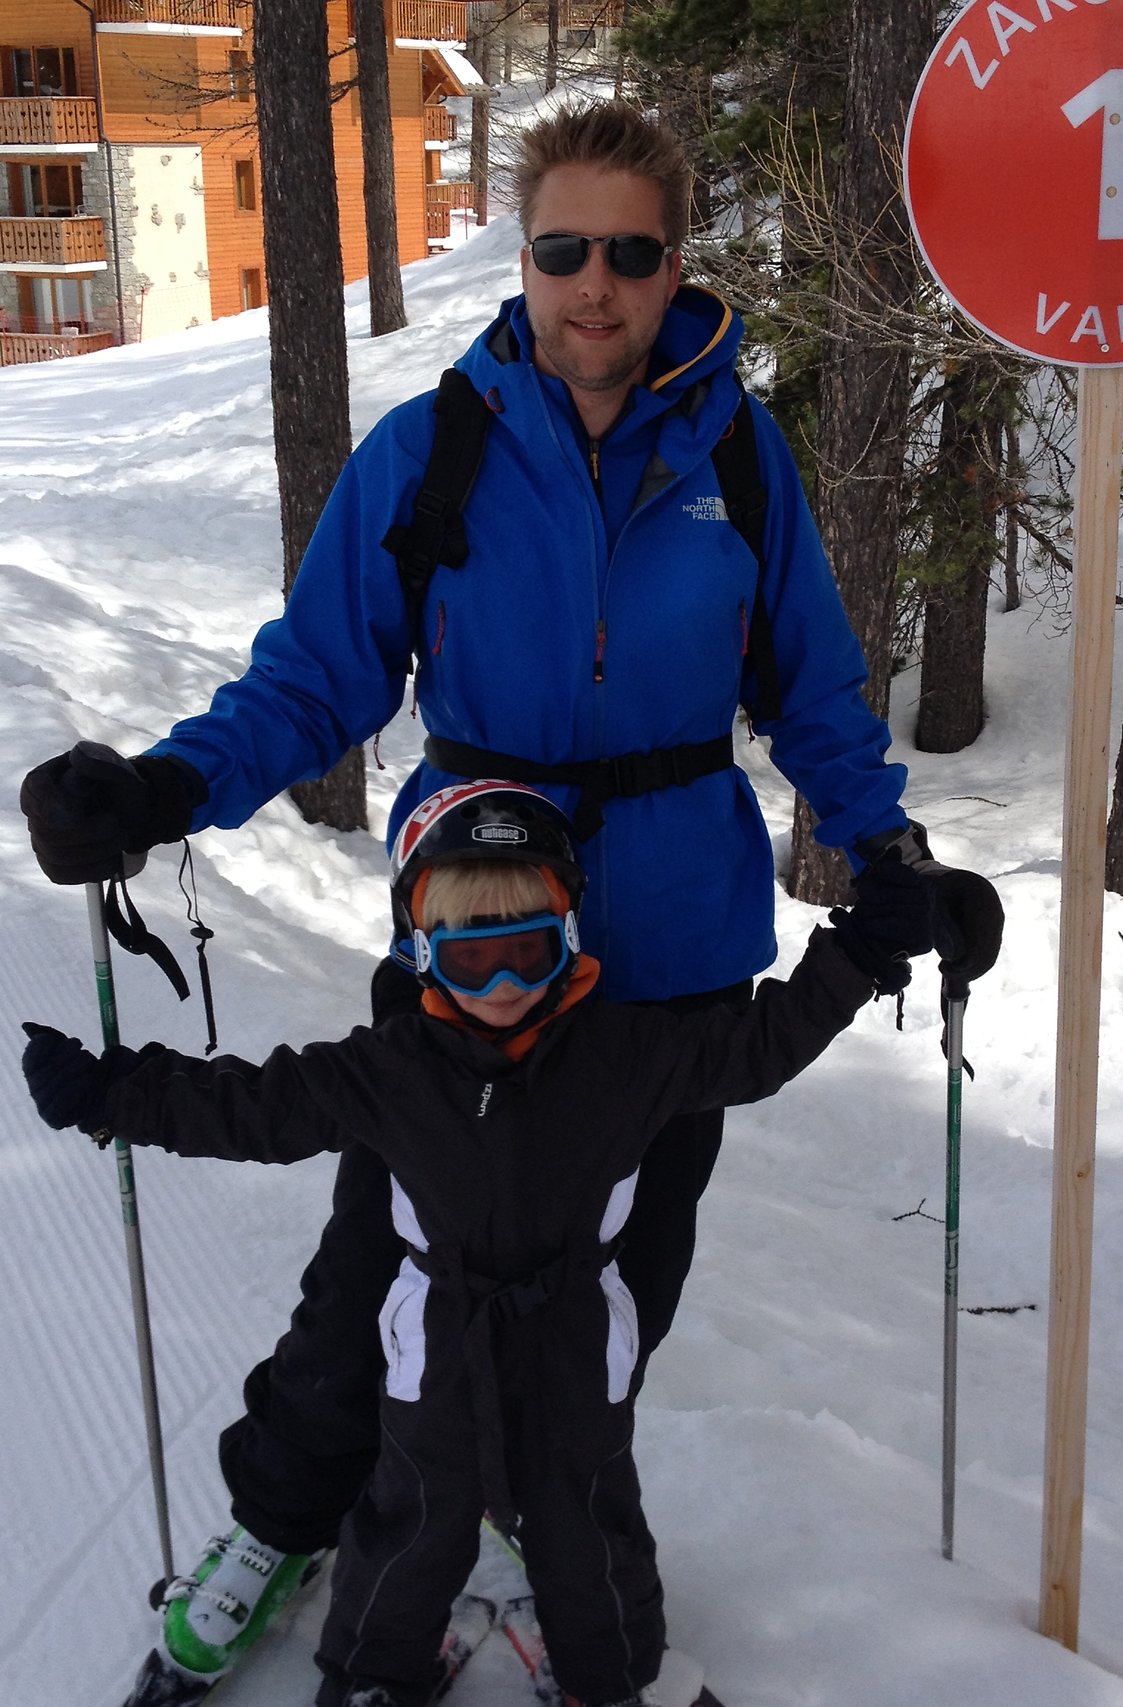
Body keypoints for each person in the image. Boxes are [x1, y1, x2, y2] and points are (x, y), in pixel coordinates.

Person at [18, 100, 1003, 1684]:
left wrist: (891, 860)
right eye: (562, 250)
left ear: (675, 263)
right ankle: (286, 1514)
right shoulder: (438, 448)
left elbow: (814, 687)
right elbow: (317, 676)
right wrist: (164, 787)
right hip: (469, 936)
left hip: (672, 956)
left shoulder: (737, 455)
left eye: (628, 251)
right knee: (372, 1281)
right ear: (521, 256)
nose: (594, 286)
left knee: (612, 1294)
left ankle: (542, 1524)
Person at [23, 781, 901, 1707]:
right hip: (434, 1346)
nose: (507, 986)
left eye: (529, 952)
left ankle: (612, 1674)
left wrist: (863, 948)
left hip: (574, 1349)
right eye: (471, 962)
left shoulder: (630, 1054)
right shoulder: (392, 1068)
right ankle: (371, 1675)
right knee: (409, 1518)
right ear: (421, 954)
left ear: (571, 932)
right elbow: (254, 1105)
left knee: (590, 1519)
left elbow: (763, 1042)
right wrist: (114, 1093)